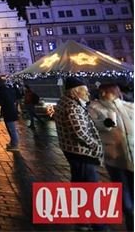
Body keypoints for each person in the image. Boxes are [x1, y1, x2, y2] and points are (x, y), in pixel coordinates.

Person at [54, 77, 105, 229]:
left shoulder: (67, 102)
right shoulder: (72, 106)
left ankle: (82, 220)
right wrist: (96, 146)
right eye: (85, 91)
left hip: (71, 149)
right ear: (76, 92)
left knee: (79, 184)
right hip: (80, 152)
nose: (88, 93)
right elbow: (80, 132)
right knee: (90, 187)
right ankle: (99, 225)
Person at [87, 83, 133, 228]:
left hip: (132, 155)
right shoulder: (94, 108)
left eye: (115, 90)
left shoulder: (129, 106)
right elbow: (103, 126)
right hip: (114, 157)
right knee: (123, 191)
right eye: (110, 91)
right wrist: (110, 112)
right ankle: (130, 218)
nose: (114, 93)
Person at [0, 77, 20, 151]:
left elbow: (3, 101)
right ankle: (13, 143)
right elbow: (16, 97)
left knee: (12, 129)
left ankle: (15, 145)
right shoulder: (9, 89)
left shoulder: (2, 91)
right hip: (11, 110)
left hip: (8, 111)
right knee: (11, 128)